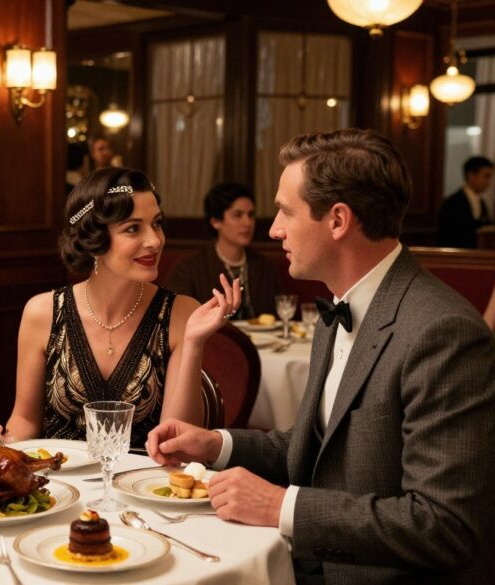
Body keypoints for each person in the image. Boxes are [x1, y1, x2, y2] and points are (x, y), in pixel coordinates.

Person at [147, 129, 495, 584]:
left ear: (337, 221)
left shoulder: (443, 332)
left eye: (285, 212)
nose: (274, 229)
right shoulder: (338, 311)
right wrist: (218, 444)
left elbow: (445, 526)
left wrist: (280, 506)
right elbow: (317, 448)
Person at [0, 167, 241, 449]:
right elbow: (25, 421)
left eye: (156, 223)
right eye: (133, 228)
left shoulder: (180, 313)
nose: (154, 241)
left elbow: (178, 442)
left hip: (141, 486)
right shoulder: (42, 312)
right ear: (94, 240)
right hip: (59, 486)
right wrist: (7, 442)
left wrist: (194, 342)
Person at [166, 181, 280, 320]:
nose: (248, 222)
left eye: (250, 215)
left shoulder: (263, 265)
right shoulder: (189, 268)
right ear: (216, 222)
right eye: (238, 215)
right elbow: (176, 318)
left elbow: (277, 315)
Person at [437, 155, 493, 249]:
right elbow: (449, 235)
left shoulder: (481, 203)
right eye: (486, 176)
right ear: (471, 175)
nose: (489, 182)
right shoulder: (453, 202)